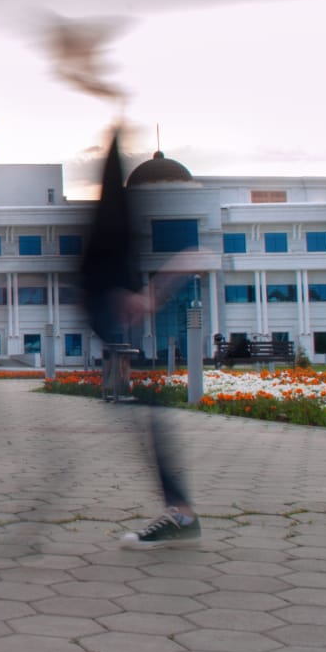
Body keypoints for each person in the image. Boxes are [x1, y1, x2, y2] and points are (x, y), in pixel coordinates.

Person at [81, 129, 199, 548]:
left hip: (111, 304)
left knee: (147, 414)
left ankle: (181, 513)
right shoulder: (111, 233)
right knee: (145, 415)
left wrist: (158, 285)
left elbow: (112, 263)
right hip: (112, 306)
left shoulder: (110, 233)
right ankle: (180, 511)